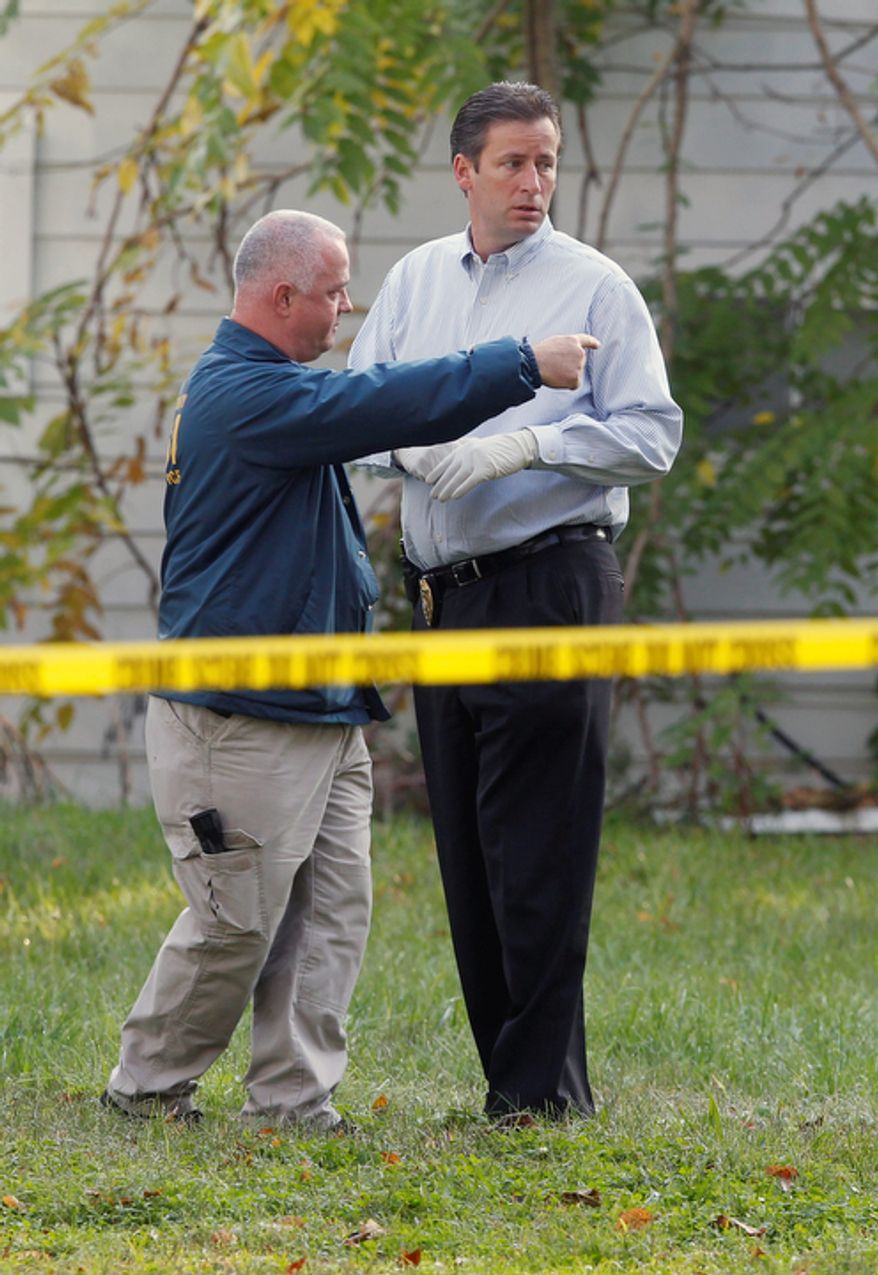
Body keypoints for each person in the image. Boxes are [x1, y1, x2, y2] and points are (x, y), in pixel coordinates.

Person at [101, 208, 596, 1131]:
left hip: (322, 706)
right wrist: (522, 363)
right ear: (283, 295)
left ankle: (292, 1099)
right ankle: (146, 1087)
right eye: (333, 292)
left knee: (329, 913)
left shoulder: (274, 389)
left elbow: (361, 412)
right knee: (238, 918)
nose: (346, 307)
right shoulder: (244, 394)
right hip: (240, 714)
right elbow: (376, 403)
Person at [350, 83, 683, 1121]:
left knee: (536, 843)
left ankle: (541, 1096)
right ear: (464, 172)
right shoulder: (413, 282)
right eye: (512, 162)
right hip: (439, 598)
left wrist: (530, 442)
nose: (534, 181)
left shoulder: (594, 287)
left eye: (546, 162)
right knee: (466, 846)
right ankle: (512, 1082)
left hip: (549, 581)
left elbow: (652, 435)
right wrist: (414, 445)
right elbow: (358, 409)